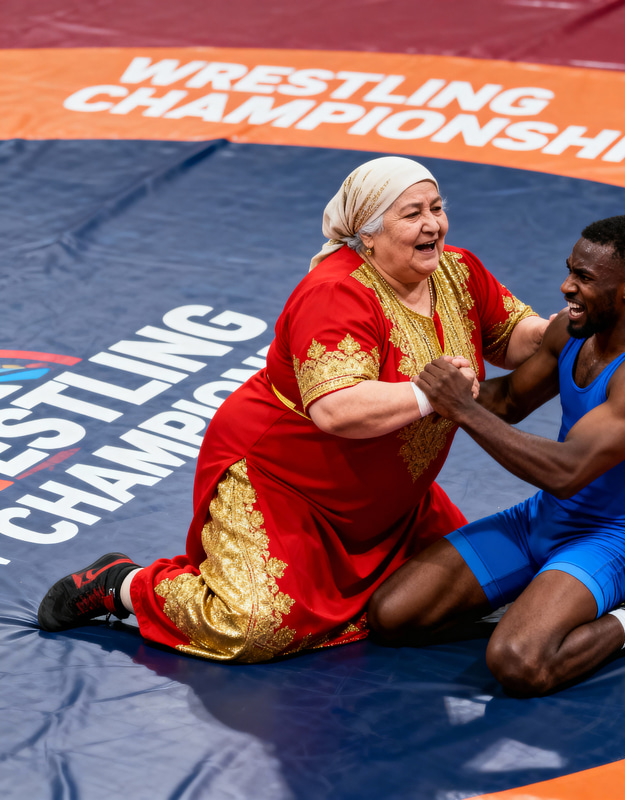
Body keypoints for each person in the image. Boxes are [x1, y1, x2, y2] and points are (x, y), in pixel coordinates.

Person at [37, 156, 550, 663]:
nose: (433, 224)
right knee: (251, 628)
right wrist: (434, 395)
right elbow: (336, 409)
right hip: (287, 486)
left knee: (452, 597)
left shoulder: (458, 271)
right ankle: (122, 585)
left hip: (389, 501)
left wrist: (576, 325)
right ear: (366, 235)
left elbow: (515, 339)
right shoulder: (336, 292)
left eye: (436, 207)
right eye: (412, 213)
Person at [368, 215, 625, 696]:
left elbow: (567, 471)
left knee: (519, 663)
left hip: (610, 540)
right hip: (540, 521)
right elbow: (510, 400)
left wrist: (462, 408)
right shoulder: (575, 333)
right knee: (392, 617)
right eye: (570, 270)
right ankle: (541, 593)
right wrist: (414, 394)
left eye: (585, 279)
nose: (566, 286)